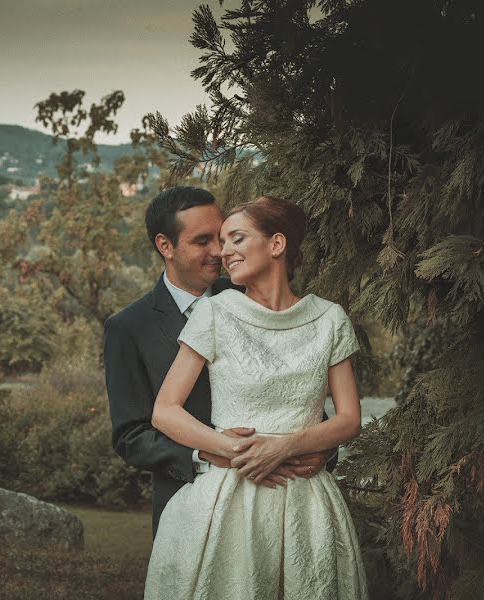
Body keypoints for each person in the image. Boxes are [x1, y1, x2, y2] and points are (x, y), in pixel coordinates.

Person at [145, 196, 369, 599]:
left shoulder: (329, 318)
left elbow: (349, 419)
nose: (223, 252)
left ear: (276, 244)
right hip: (231, 497)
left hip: (306, 503)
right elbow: (165, 411)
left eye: (236, 239)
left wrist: (286, 446)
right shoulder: (215, 313)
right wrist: (238, 450)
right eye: (220, 242)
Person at [104, 187, 332, 535]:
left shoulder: (255, 297)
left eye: (223, 237)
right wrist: (208, 453)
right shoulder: (129, 328)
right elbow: (131, 435)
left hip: (285, 499)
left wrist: (321, 449)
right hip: (190, 508)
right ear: (165, 246)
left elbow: (298, 389)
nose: (219, 252)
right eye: (202, 241)